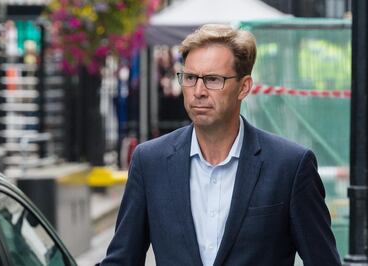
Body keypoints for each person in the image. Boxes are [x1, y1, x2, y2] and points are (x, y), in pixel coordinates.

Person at [99, 24, 341, 266]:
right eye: (191, 78)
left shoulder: (290, 166)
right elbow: (122, 260)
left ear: (244, 87)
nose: (199, 91)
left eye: (213, 79)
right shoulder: (150, 161)